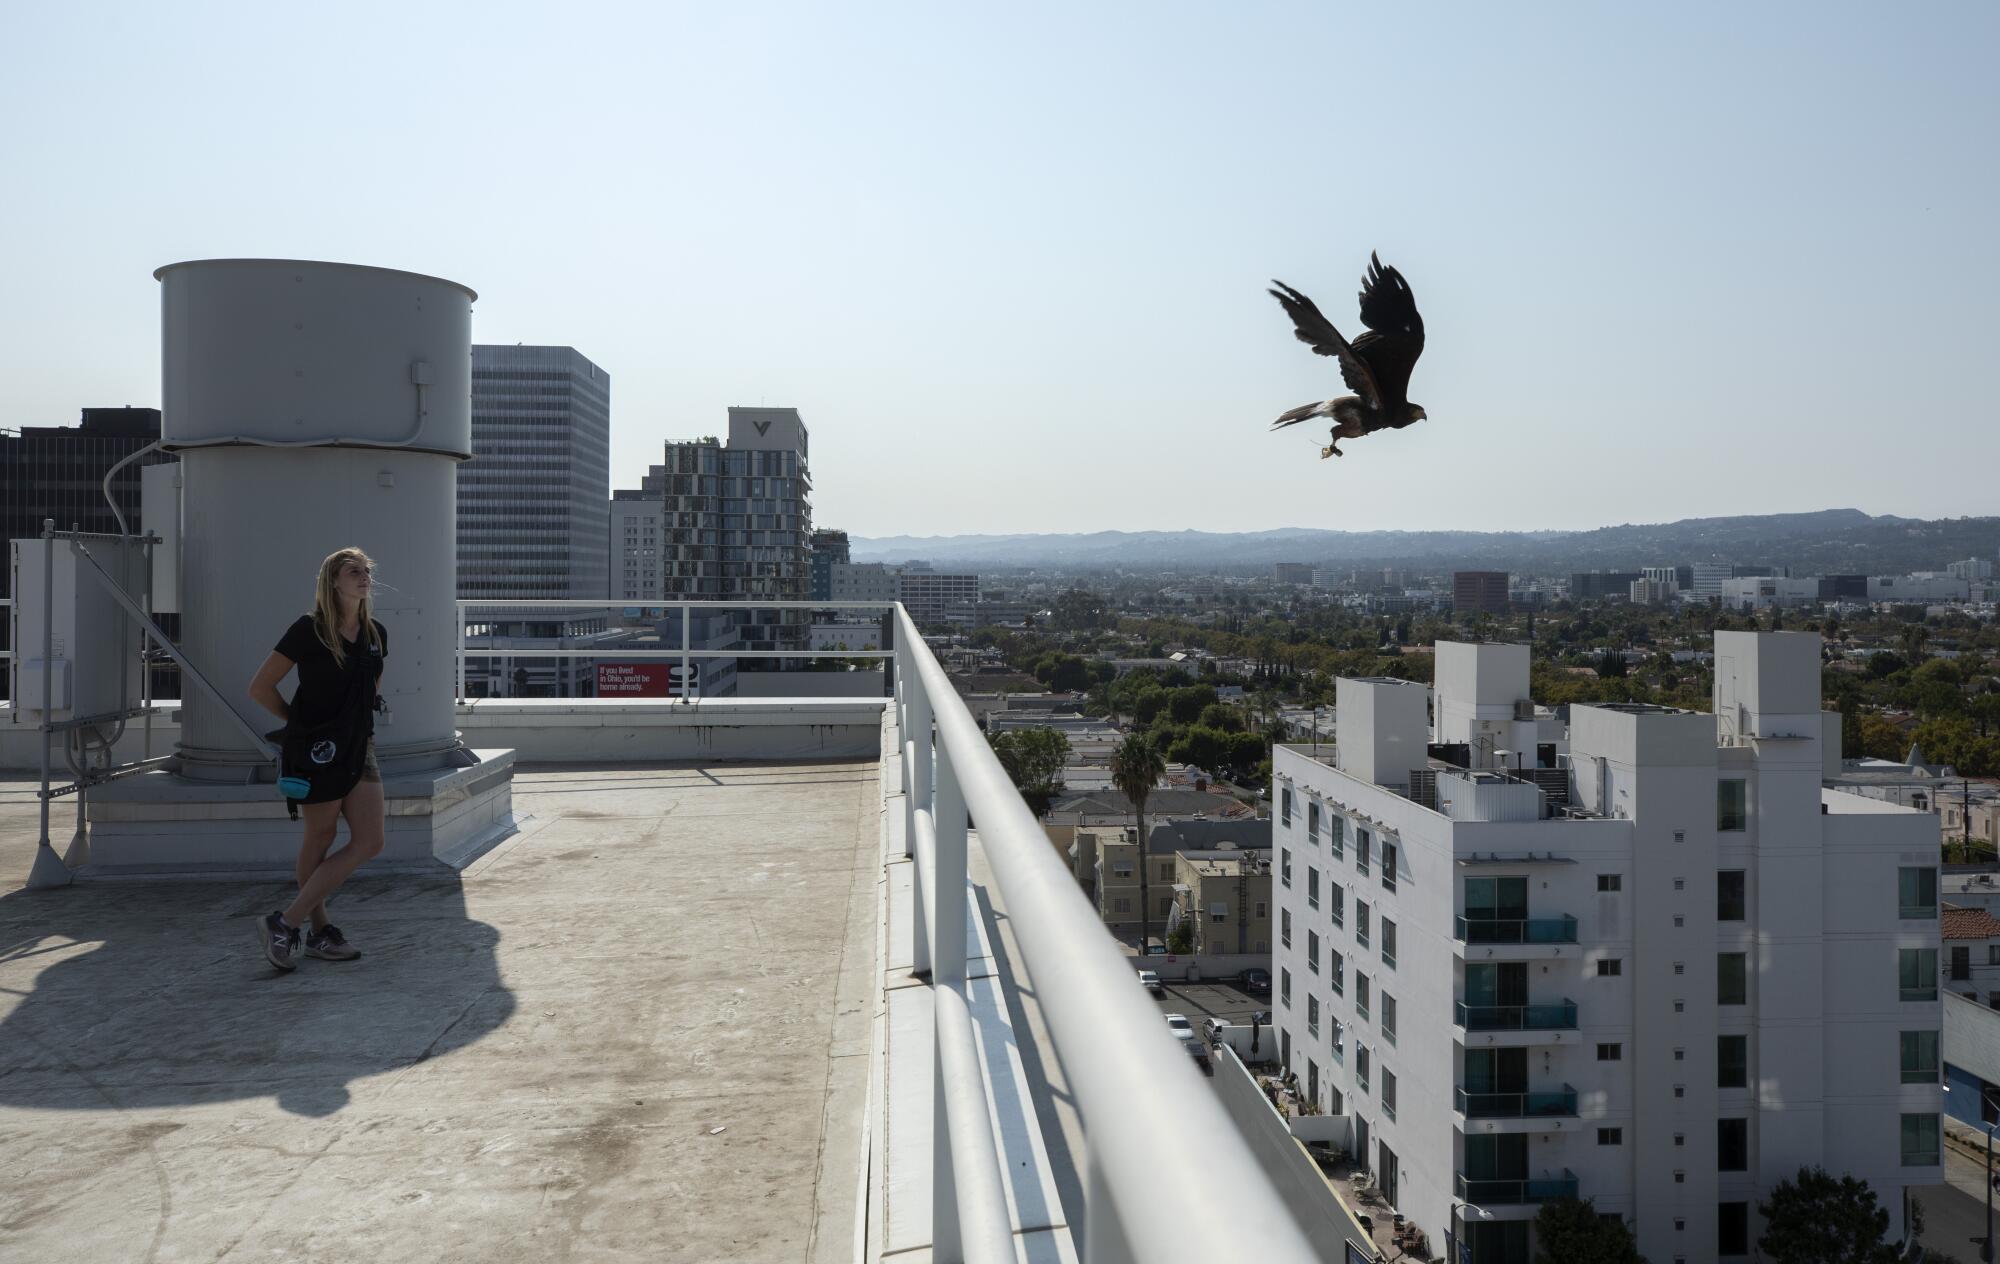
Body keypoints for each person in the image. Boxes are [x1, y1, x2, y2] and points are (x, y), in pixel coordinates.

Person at [247, 547, 388, 971]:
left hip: (360, 748)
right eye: (353, 571)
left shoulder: (376, 633)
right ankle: (319, 931)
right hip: (316, 752)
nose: (363, 577)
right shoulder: (308, 630)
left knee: (371, 841)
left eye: (366, 571)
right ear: (333, 582)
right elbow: (260, 687)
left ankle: (284, 921)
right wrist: (298, 726)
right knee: (320, 838)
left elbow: (369, 693)